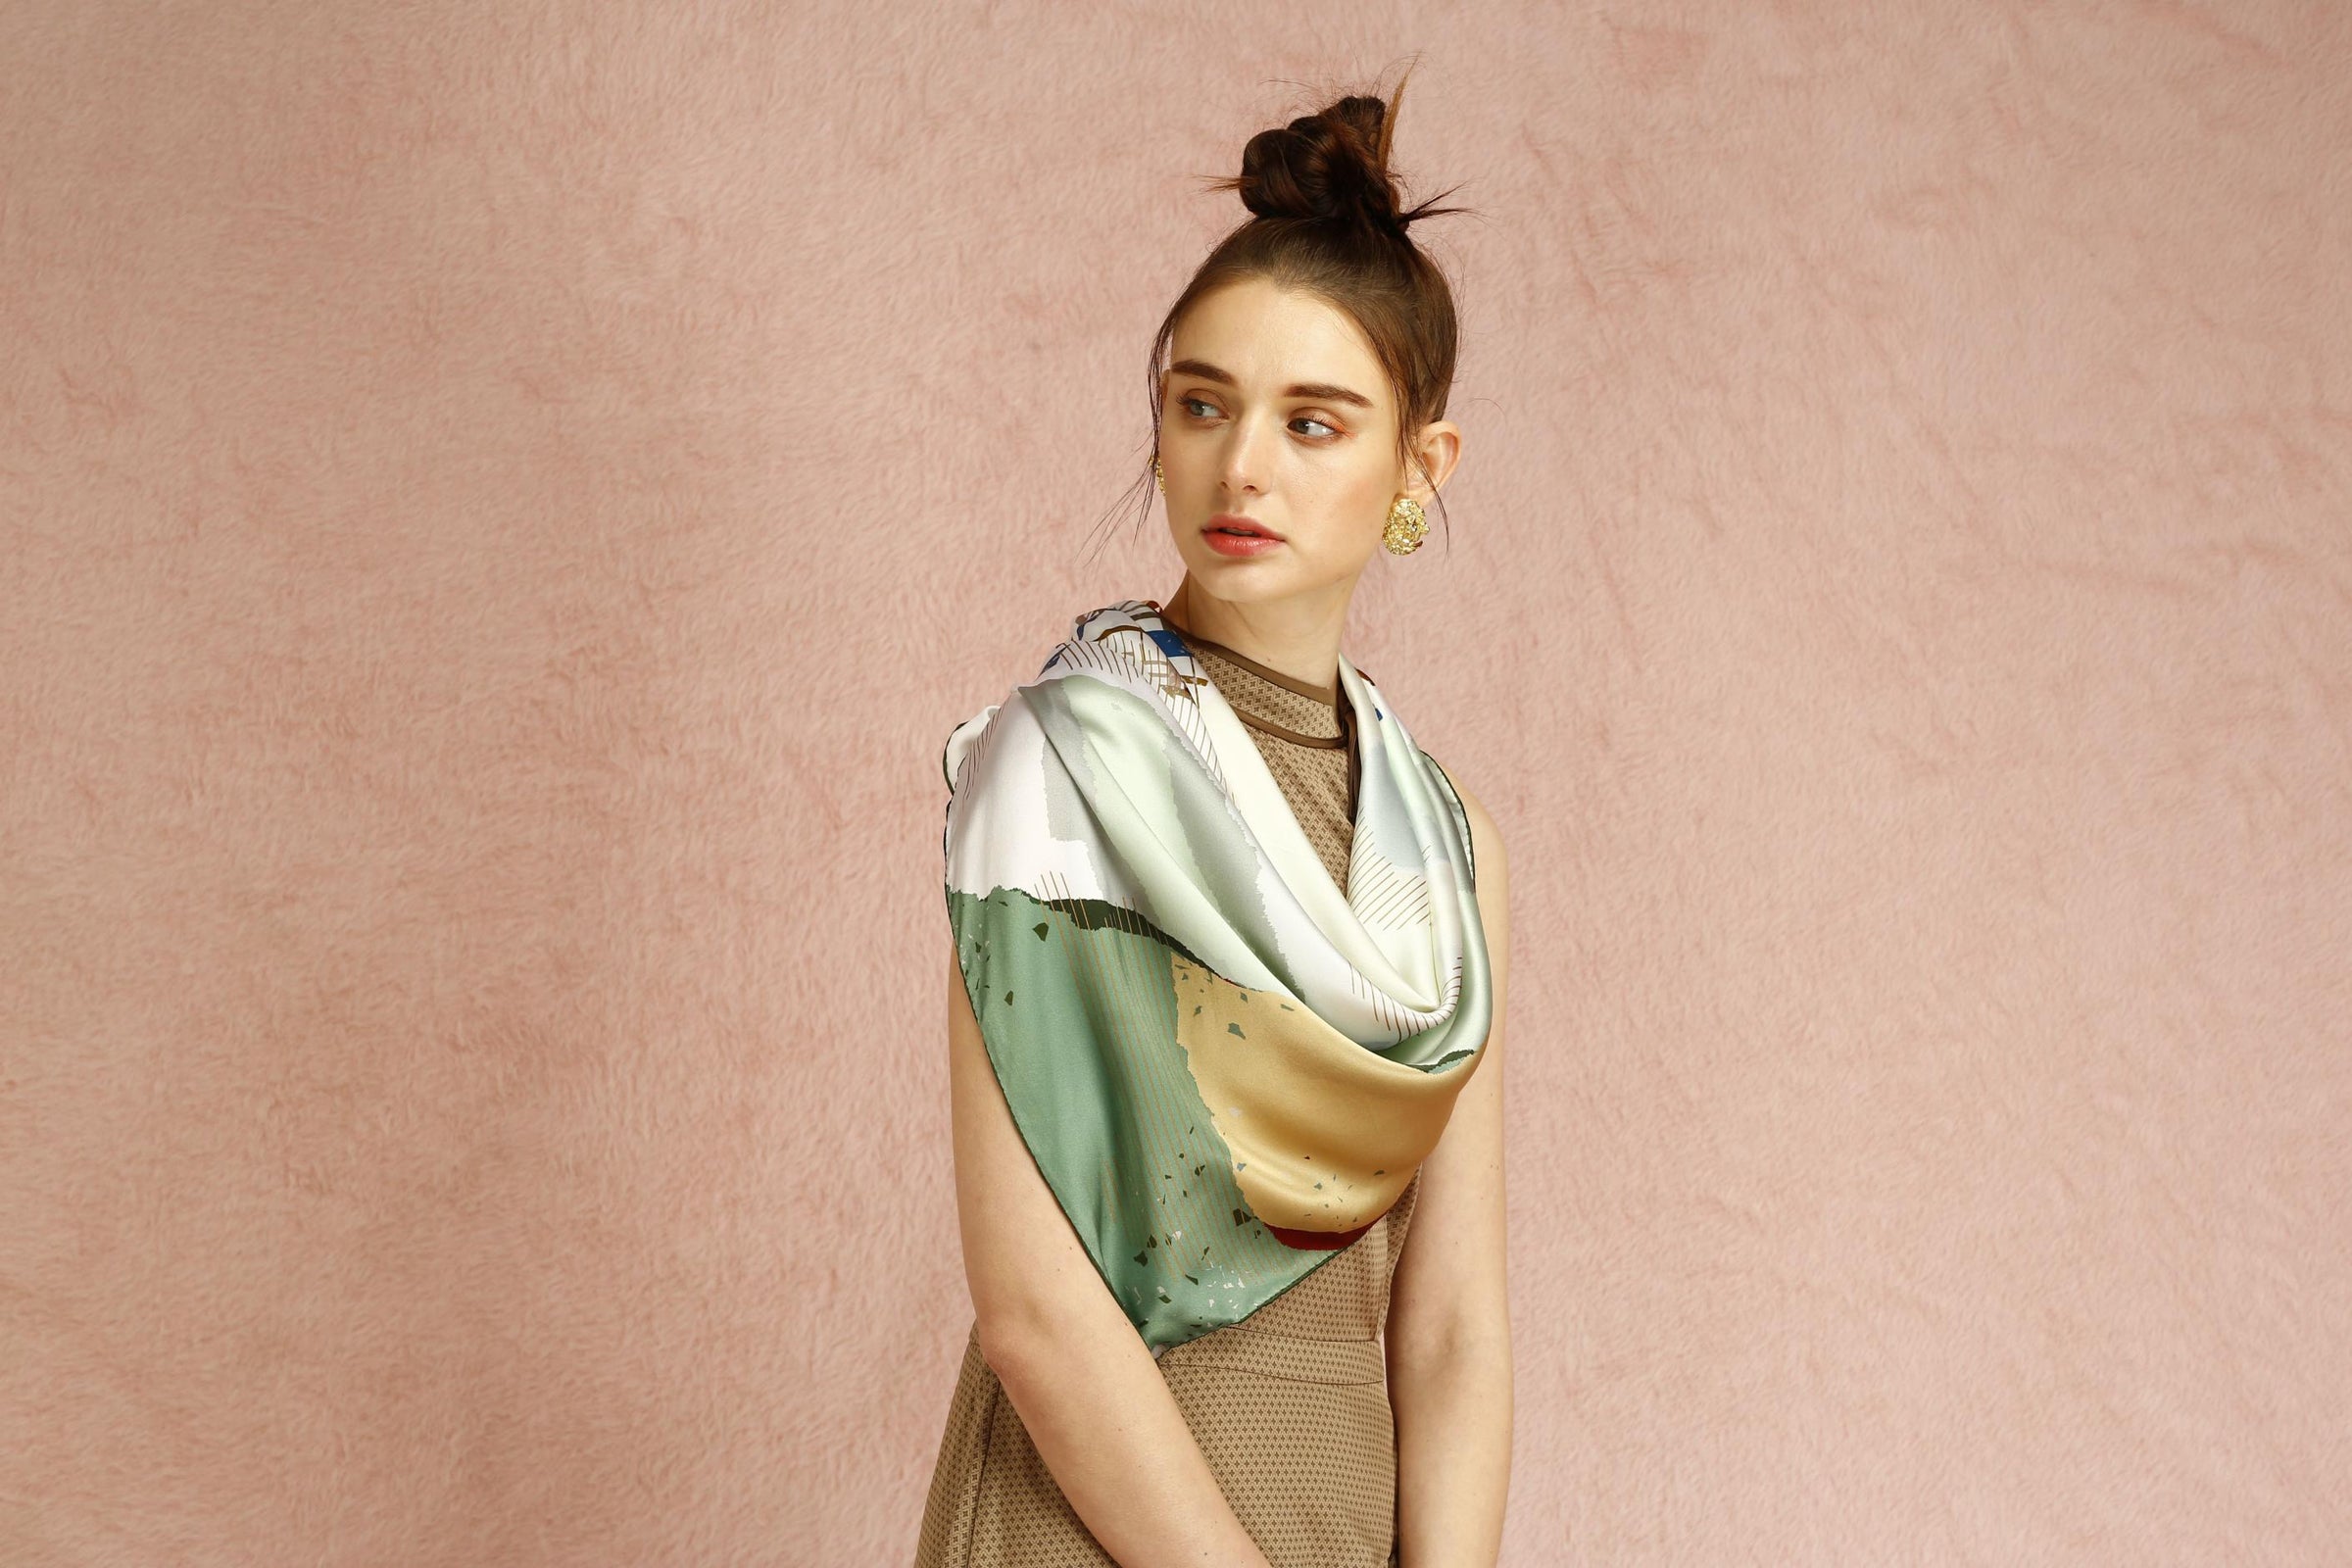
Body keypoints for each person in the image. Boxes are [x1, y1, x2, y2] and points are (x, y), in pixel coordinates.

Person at [916, 70, 1512, 1568]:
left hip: (1338, 1522)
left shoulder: (1448, 850)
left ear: (1420, 469)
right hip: (1084, 1521)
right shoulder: (1060, 772)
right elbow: (1036, 1312)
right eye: (1203, 405)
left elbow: (1451, 1325)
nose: (1242, 464)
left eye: (1315, 424)